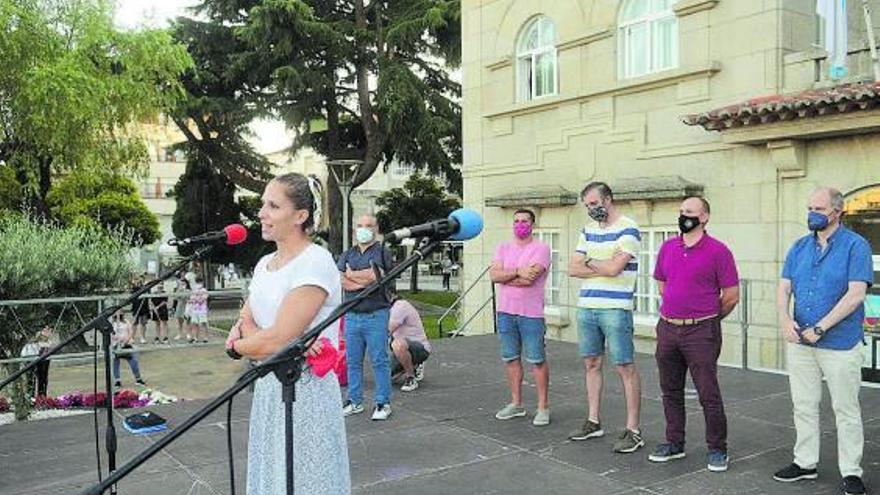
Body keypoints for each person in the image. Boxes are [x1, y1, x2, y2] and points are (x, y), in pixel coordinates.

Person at [224, 172, 350, 495]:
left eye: (273, 206)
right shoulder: (264, 263)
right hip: (269, 386)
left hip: (305, 390)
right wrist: (256, 340)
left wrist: (241, 346)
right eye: (263, 204)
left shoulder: (315, 261)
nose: (262, 213)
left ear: (300, 216)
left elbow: (279, 339)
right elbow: (246, 320)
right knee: (272, 474)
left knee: (308, 479)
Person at [772, 187, 872, 495]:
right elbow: (784, 288)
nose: (812, 213)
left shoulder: (856, 246)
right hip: (801, 342)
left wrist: (821, 327)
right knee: (803, 404)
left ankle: (851, 472)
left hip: (840, 342)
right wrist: (785, 320)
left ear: (837, 211)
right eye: (809, 207)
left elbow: (856, 293)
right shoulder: (799, 247)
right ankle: (805, 462)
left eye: (818, 208)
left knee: (846, 409)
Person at [648, 196, 740, 473]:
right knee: (670, 389)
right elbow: (663, 285)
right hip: (668, 328)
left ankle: (717, 449)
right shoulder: (667, 247)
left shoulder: (718, 251)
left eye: (689, 212)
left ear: (704, 217)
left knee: (707, 391)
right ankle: (674, 442)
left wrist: (708, 318)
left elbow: (731, 296)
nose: (683, 216)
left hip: (701, 330)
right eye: (681, 211)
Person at [567, 182, 644, 453]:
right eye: (587, 205)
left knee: (624, 366)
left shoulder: (628, 228)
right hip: (587, 305)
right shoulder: (587, 231)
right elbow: (572, 268)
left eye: (594, 203)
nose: (591, 209)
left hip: (615, 308)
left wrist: (590, 263)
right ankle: (593, 421)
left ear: (608, 199)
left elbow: (615, 268)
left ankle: (633, 429)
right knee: (591, 363)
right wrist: (601, 266)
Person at [490, 209, 552, 426]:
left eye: (524, 221)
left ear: (532, 224)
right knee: (510, 358)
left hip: (531, 314)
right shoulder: (503, 247)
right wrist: (517, 272)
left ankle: (543, 408)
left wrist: (506, 276)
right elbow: (494, 275)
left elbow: (530, 279)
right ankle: (516, 403)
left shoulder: (541, 249)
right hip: (506, 311)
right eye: (516, 221)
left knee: (536, 359)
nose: (520, 224)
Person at [338, 214, 395, 421]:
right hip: (352, 315)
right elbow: (342, 280)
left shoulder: (382, 252)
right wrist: (364, 280)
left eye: (369, 226)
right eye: (360, 226)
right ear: (354, 229)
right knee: (353, 362)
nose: (364, 229)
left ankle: (382, 402)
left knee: (379, 360)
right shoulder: (347, 254)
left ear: (376, 228)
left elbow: (377, 276)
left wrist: (353, 275)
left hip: (376, 314)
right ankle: (354, 401)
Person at [387, 289, 431, 392]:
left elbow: (387, 330)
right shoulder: (387, 308)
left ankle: (410, 377)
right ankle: (413, 365)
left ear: (392, 295)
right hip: (401, 348)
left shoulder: (400, 306)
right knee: (386, 376)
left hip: (419, 347)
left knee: (397, 344)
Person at [111, 311, 146, 388]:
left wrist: (126, 340)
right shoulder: (112, 323)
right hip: (116, 345)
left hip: (127, 344)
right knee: (115, 363)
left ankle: (138, 379)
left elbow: (130, 331)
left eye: (120, 312)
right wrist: (116, 339)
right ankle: (117, 380)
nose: (118, 314)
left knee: (133, 362)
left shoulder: (126, 322)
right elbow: (111, 334)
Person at [34, 326, 56, 396]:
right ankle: (38, 396)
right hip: (38, 362)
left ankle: (43, 396)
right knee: (39, 379)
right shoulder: (38, 342)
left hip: (46, 361)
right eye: (45, 330)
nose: (48, 332)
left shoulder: (49, 342)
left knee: (44, 379)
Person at [130, 274, 150, 344]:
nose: (139, 281)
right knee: (134, 323)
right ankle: (132, 338)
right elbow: (132, 294)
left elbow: (148, 295)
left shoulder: (146, 287)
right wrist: (135, 284)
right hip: (136, 307)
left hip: (144, 308)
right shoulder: (134, 288)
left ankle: (142, 337)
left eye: (141, 279)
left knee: (143, 323)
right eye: (137, 279)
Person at [188, 276, 209, 343]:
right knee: (195, 323)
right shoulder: (194, 290)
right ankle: (195, 337)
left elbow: (203, 299)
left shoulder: (204, 290)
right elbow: (191, 299)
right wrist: (194, 300)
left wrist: (196, 299)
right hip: (195, 310)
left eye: (199, 282)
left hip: (202, 309)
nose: (198, 284)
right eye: (197, 282)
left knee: (203, 323)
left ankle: (205, 337)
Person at [172, 274, 189, 340]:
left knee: (187, 320)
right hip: (180, 305)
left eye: (184, 284)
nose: (183, 285)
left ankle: (188, 333)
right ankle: (179, 334)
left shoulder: (188, 290)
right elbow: (175, 298)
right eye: (181, 284)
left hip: (187, 306)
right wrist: (179, 291)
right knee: (179, 321)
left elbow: (189, 298)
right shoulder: (178, 290)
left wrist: (185, 292)